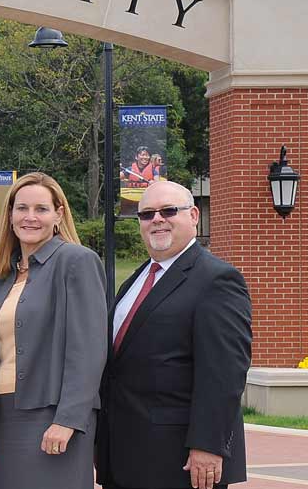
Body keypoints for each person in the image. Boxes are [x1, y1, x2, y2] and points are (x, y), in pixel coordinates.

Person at [97, 181, 252, 489]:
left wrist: (208, 445)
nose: (157, 219)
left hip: (179, 460)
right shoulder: (136, 280)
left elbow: (224, 374)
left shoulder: (217, 280)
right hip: (124, 454)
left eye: (169, 211)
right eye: (146, 214)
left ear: (194, 215)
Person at [0, 172, 108, 489]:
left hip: (53, 417)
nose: (30, 217)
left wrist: (68, 420)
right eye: (22, 208)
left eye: (41, 209)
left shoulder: (77, 261)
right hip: (4, 419)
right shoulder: (3, 275)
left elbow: (88, 351)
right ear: (10, 215)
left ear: (59, 214)